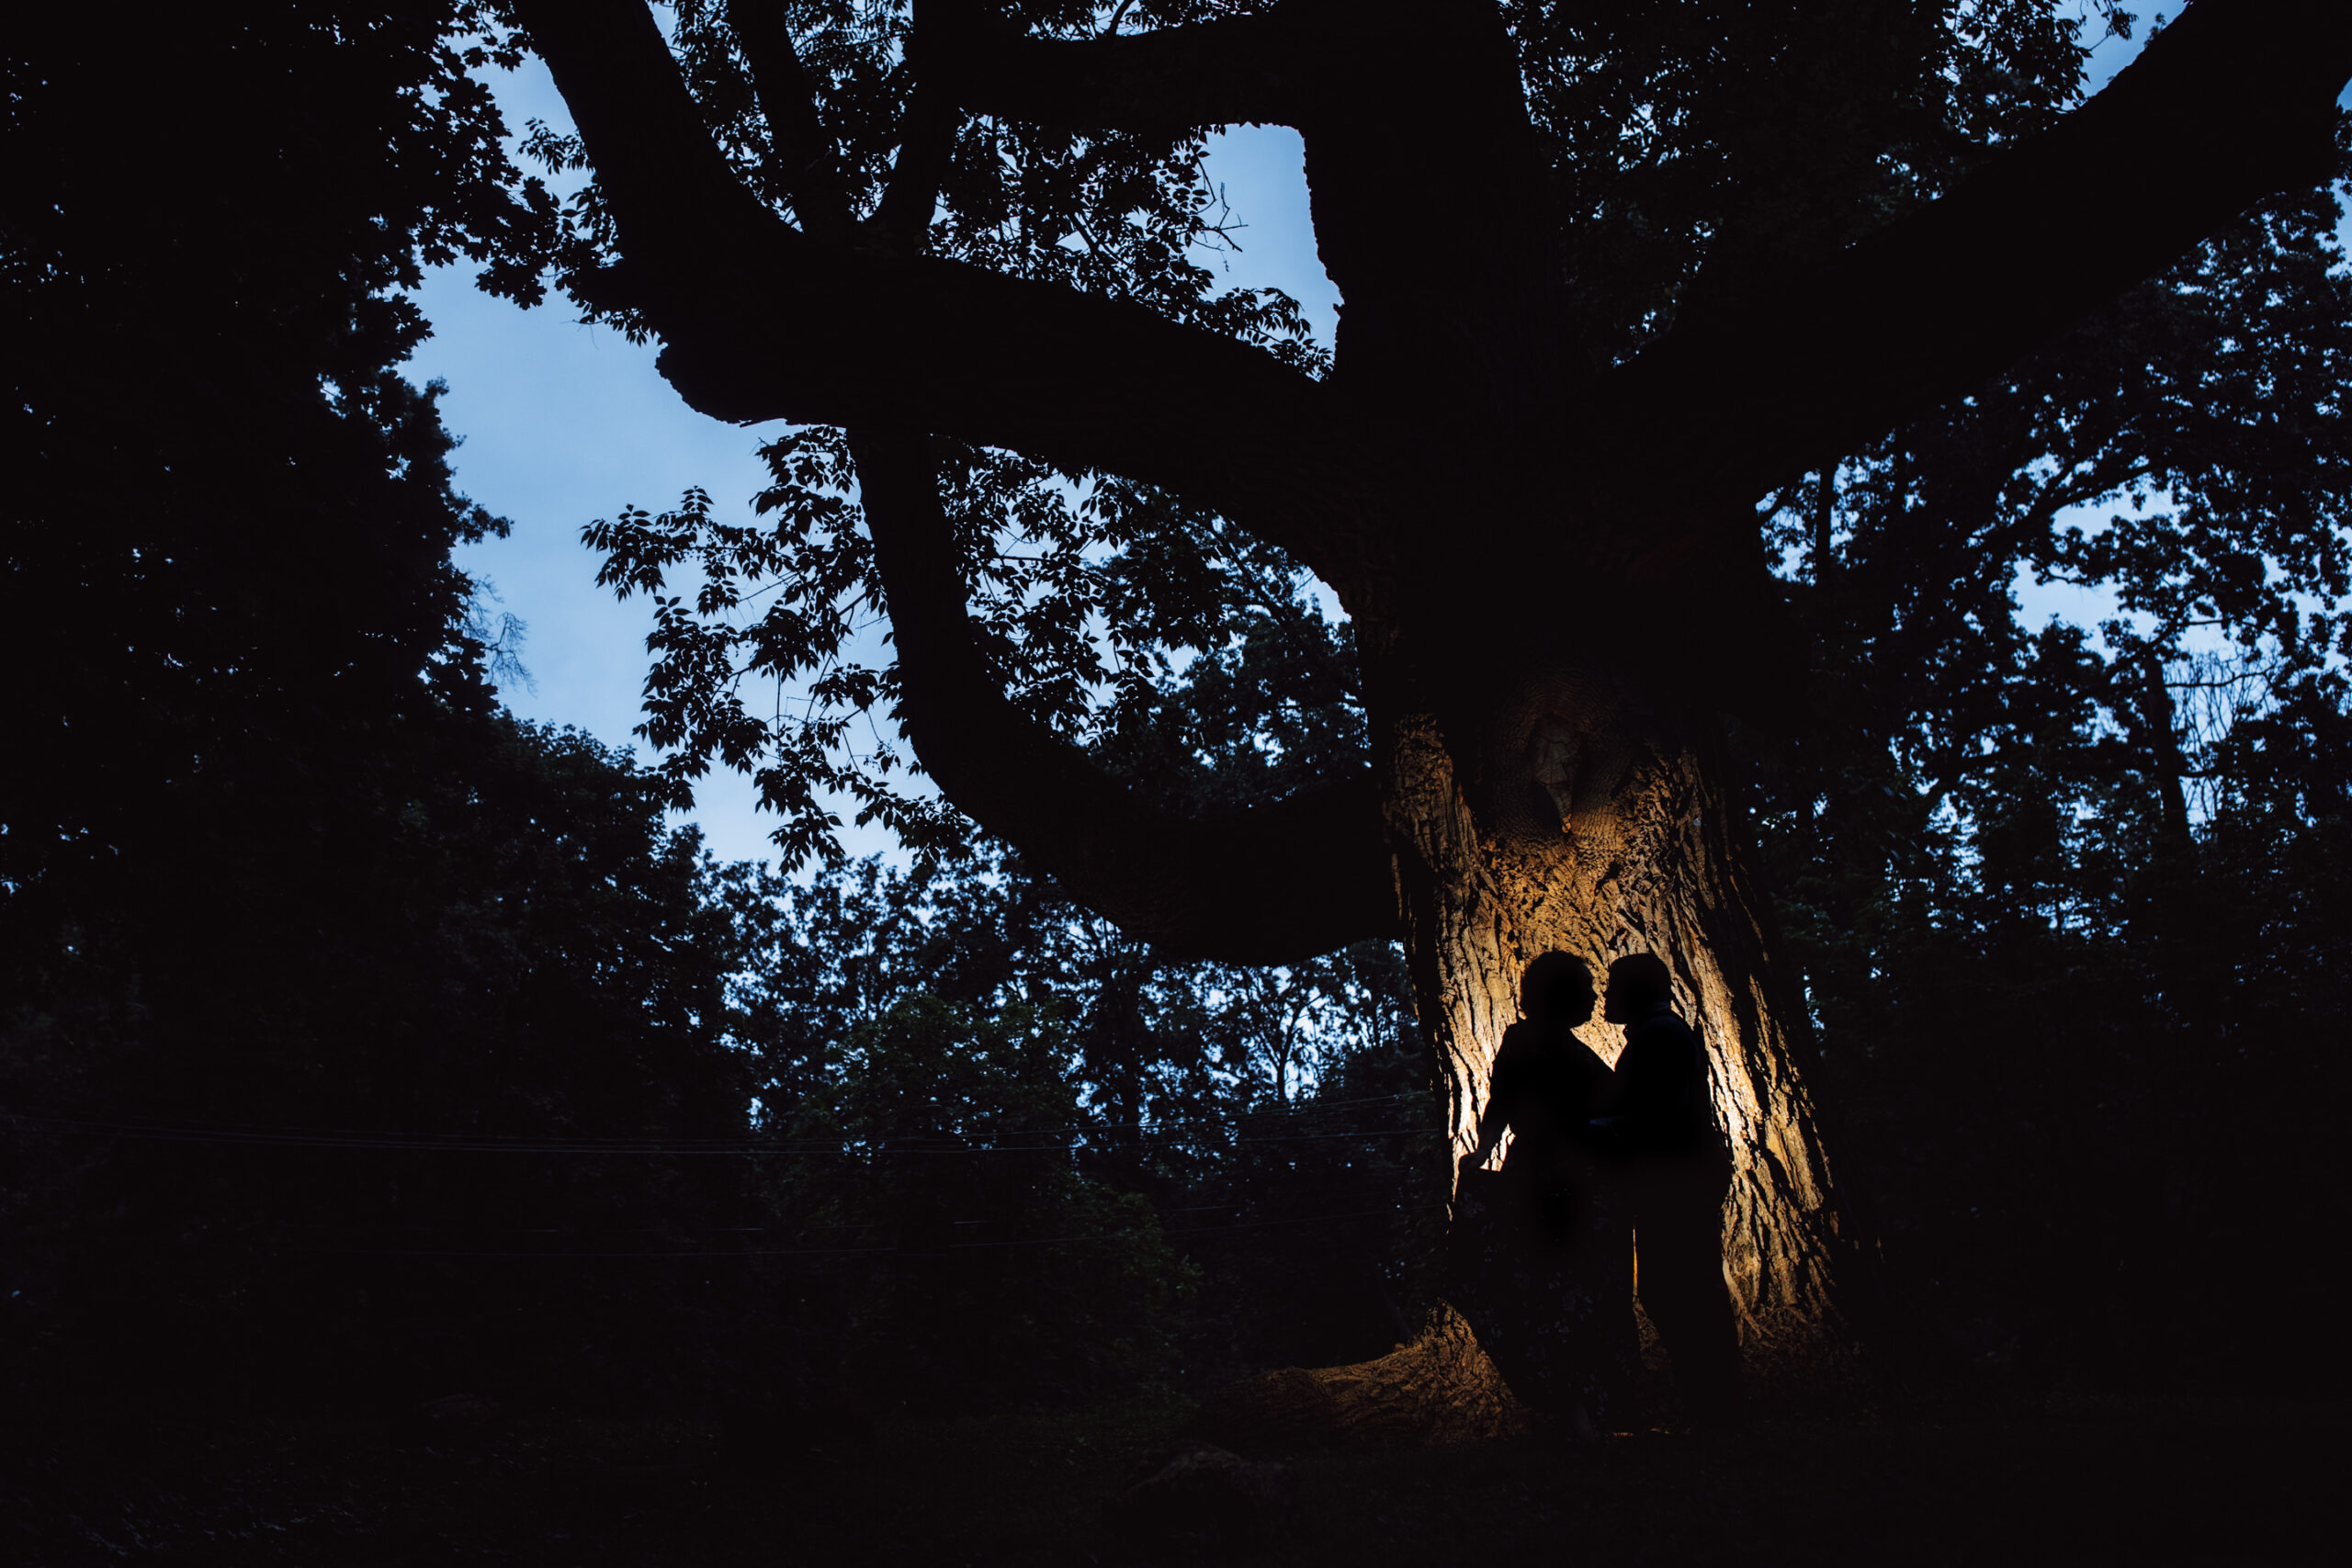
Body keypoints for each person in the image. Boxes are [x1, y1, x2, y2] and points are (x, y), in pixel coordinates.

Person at [1452, 953, 1637, 1434]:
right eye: (1587, 988)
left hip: (1559, 1181)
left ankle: (1585, 1408)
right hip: (1560, 1185)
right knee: (1565, 1292)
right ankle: (1580, 1408)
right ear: (1563, 995)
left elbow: (1502, 1101)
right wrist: (1484, 1150)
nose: (1596, 997)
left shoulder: (1542, 1043)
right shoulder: (1538, 1044)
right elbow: (1504, 1100)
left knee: (1564, 1293)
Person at [1601, 952, 1743, 1426]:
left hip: (1675, 1182)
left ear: (1635, 991)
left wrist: (1595, 1129)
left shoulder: (1657, 1037)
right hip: (1681, 1179)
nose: (1604, 994)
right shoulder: (1660, 1033)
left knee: (1677, 1290)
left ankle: (1715, 1404)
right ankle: (1714, 1402)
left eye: (1612, 985)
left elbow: (1653, 1116)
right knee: (1684, 1288)